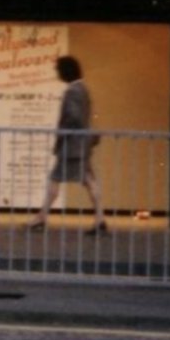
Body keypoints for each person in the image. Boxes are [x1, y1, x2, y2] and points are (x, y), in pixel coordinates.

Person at [27, 55, 107, 234]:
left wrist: (62, 133)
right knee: (89, 180)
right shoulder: (83, 89)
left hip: (71, 146)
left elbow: (73, 117)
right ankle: (100, 219)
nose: (57, 73)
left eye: (58, 69)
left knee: (55, 179)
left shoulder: (72, 91)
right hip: (82, 145)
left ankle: (41, 218)